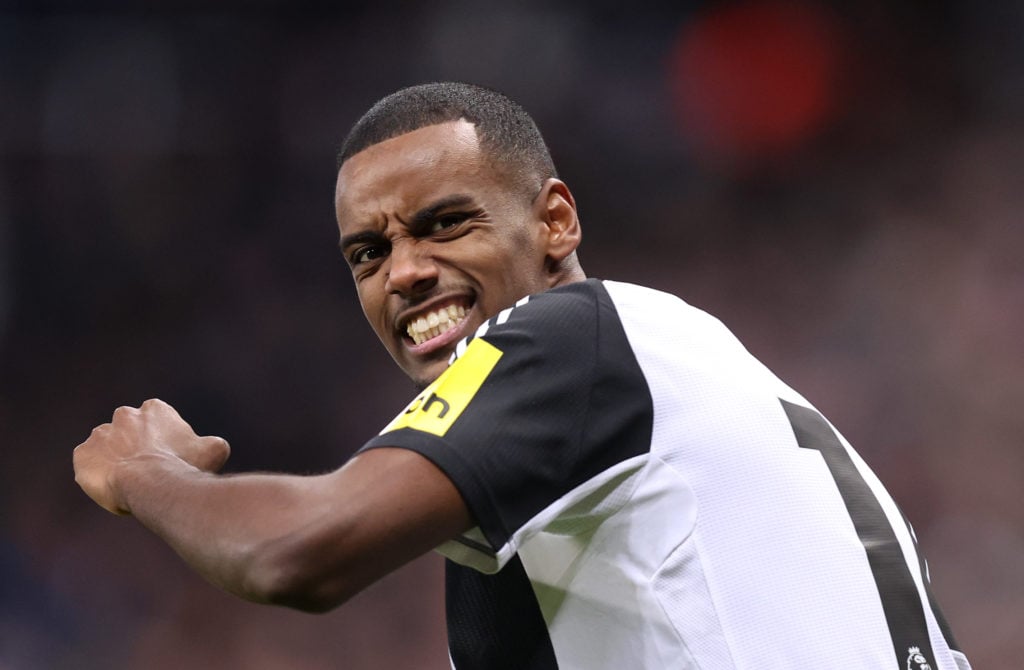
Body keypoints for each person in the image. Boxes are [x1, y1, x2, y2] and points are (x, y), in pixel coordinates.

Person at [74, 82, 971, 670]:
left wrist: (147, 472)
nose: (405, 270)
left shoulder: (569, 339)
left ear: (555, 223)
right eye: (368, 252)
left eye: (445, 223)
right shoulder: (662, 372)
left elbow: (293, 553)